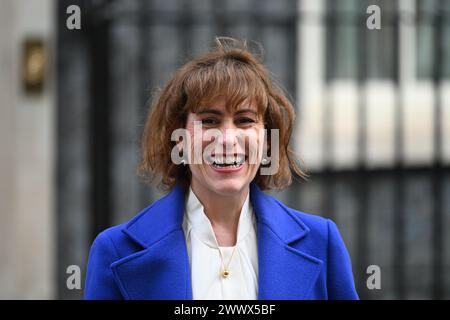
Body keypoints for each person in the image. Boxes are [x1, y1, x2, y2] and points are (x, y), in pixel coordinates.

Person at [84, 37, 359, 300]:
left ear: (266, 139)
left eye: (244, 120)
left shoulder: (322, 243)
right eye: (209, 121)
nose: (227, 139)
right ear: (179, 138)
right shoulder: (115, 251)